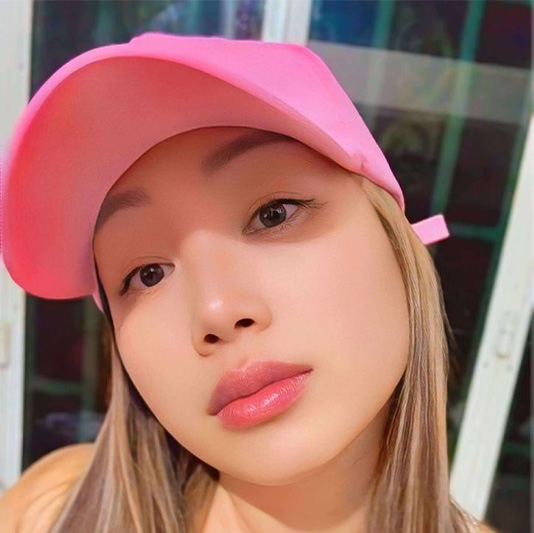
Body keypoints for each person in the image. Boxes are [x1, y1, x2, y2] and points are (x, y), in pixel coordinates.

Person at [0, 33, 498, 533]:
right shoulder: (49, 512)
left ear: (393, 235)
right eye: (147, 274)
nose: (216, 309)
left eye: (273, 213)